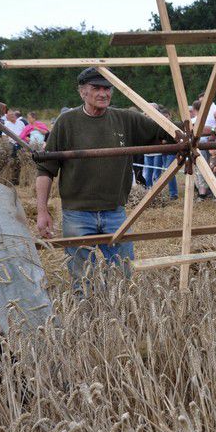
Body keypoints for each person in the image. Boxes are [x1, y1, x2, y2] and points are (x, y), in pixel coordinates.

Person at [35, 67, 173, 294]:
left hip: (115, 213)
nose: (103, 93)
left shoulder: (125, 119)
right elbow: (45, 170)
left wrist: (212, 130)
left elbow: (169, 131)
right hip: (77, 215)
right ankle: (86, 321)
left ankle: (118, 319)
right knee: (82, 279)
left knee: (123, 277)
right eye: (96, 88)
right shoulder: (66, 122)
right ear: (82, 93)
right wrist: (42, 211)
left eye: (107, 88)